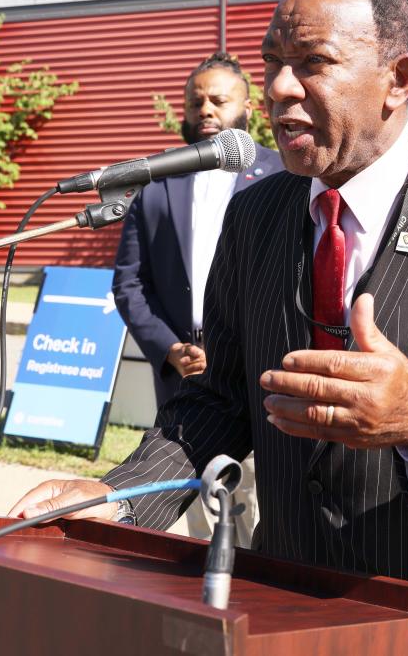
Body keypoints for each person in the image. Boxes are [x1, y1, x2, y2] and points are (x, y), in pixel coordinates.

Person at [10, 0, 408, 656]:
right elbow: (216, 401)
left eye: (312, 63)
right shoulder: (254, 218)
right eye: (272, 65)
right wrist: (112, 497)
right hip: (288, 612)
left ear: (400, 79)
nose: (277, 88)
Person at [111, 51, 283, 547]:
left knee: (258, 516)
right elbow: (129, 283)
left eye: (219, 100)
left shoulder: (281, 178)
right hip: (184, 377)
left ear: (248, 107)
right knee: (196, 514)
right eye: (196, 101)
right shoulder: (156, 182)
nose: (206, 110)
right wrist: (168, 348)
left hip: (258, 375)